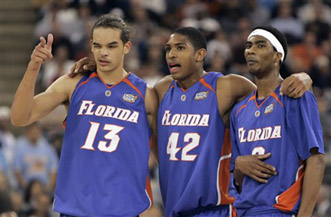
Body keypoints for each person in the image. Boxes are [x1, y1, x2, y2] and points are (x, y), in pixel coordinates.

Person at [71, 26, 312, 217]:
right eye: (168, 49)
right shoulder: (162, 90)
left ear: (200, 55)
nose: (171, 54)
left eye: (180, 47)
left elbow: (270, 93)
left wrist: (304, 77)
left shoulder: (226, 86)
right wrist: (100, 69)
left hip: (216, 208)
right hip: (175, 208)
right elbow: (128, 91)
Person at [11, 14, 158, 216]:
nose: (103, 53)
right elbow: (20, 117)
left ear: (127, 47)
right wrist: (33, 67)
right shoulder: (73, 83)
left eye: (111, 46)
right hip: (76, 209)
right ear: (91, 45)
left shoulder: (146, 95)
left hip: (122, 210)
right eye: (97, 46)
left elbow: (163, 155)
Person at [230, 26, 325, 217]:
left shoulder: (294, 95)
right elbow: (233, 175)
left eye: (260, 45)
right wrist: (239, 164)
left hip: (280, 209)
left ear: (277, 56)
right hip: (244, 211)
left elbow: (315, 159)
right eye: (248, 45)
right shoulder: (238, 111)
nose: (251, 50)